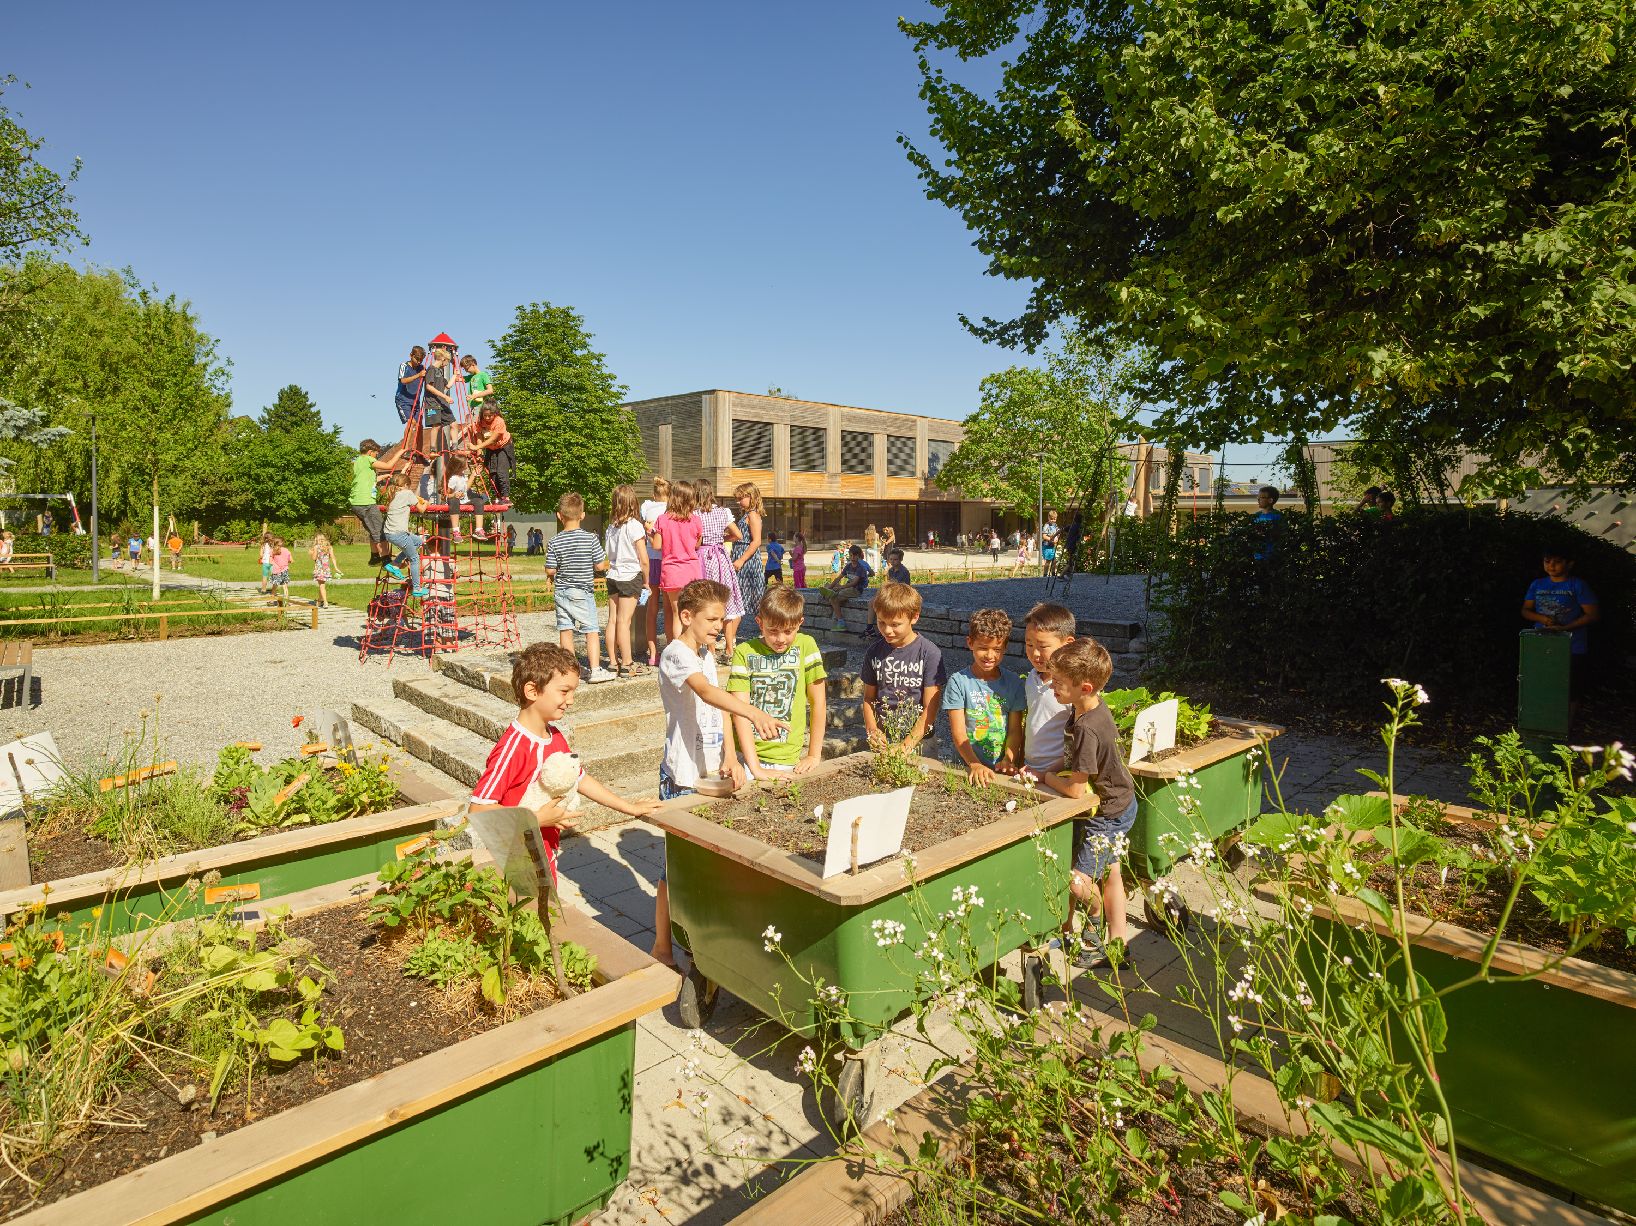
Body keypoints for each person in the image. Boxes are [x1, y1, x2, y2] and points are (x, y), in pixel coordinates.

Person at [653, 579, 787, 966]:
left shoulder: (705, 653)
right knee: (674, 869)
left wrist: (731, 754)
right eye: (712, 619)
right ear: (685, 616)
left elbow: (720, 709)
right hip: (682, 777)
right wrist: (757, 713)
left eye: (722, 618)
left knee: (710, 865)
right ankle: (662, 946)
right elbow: (707, 694)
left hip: (713, 772)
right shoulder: (678, 654)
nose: (719, 625)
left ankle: (706, 940)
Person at [470, 643, 660, 883]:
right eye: (564, 691)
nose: (570, 700)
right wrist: (537, 819)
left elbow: (579, 778)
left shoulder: (555, 735)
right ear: (532, 690)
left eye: (573, 692)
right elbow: (479, 809)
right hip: (517, 865)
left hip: (545, 857)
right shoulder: (514, 748)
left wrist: (629, 807)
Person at [1036, 638, 1137, 969]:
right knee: (1109, 871)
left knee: (1079, 882)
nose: (1053, 688)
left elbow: (1077, 793)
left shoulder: (1086, 729)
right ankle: (1116, 944)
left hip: (1107, 814)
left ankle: (1093, 927)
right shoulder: (1090, 708)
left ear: (1086, 686)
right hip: (1120, 803)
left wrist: (1046, 777)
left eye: (1060, 684)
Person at [727, 585, 827, 781]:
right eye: (772, 631)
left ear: (800, 623)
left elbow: (819, 703)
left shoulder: (807, 646)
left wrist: (814, 754)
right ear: (759, 622)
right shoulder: (745, 652)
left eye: (788, 631)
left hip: (787, 758)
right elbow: (739, 710)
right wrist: (754, 766)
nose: (780, 639)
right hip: (746, 758)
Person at [943, 608, 1027, 784]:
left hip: (1001, 771)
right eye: (983, 648)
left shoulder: (1014, 683)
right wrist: (974, 764)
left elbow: (1014, 730)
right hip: (965, 767)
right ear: (970, 643)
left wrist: (1009, 759)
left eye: (997, 649)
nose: (990, 655)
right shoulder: (958, 682)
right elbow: (958, 733)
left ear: (1005, 647)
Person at [860, 581, 946, 750]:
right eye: (881, 622)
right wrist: (872, 730)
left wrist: (907, 745)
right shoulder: (874, 652)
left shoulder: (930, 653)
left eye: (895, 624)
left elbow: (931, 706)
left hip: (921, 742)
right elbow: (869, 698)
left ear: (914, 617)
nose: (887, 630)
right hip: (883, 739)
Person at [546, 492, 614, 683]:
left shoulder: (554, 541)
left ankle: (570, 670)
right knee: (591, 630)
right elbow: (600, 566)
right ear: (582, 515)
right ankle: (595, 669)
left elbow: (550, 569)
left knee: (566, 629)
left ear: (559, 515)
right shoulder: (590, 539)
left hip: (561, 591)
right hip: (582, 592)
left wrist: (550, 573)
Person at [1523, 547, 1600, 703]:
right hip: (1540, 642)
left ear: (1569, 564)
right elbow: (1525, 610)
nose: (1551, 565)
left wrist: (1565, 628)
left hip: (1572, 645)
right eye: (1547, 561)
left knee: (1570, 689)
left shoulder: (1577, 585)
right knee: (1542, 684)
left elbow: (1592, 615)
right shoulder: (1537, 584)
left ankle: (1566, 725)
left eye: (1557, 562)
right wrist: (1542, 619)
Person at [1021, 603, 1076, 778]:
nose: (1035, 653)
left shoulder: (1075, 687)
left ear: (1067, 644)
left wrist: (1046, 772)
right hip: (1030, 768)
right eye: (1029, 645)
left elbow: (1079, 742)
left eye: (1043, 647)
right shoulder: (1032, 678)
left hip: (1060, 773)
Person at [651, 479, 704, 657]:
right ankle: (693, 650)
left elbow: (657, 546)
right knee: (692, 613)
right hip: (692, 570)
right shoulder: (695, 520)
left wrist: (651, 533)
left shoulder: (662, 520)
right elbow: (697, 544)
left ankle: (677, 653)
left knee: (676, 614)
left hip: (672, 571)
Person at [604, 483, 650, 677]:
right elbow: (644, 559)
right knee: (625, 621)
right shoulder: (635, 525)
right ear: (633, 502)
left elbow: (609, 553)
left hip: (613, 575)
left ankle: (613, 662)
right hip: (630, 575)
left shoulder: (611, 527)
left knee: (612, 620)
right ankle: (628, 663)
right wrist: (646, 582)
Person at [695, 479, 746, 658]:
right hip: (721, 558)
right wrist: (721, 538)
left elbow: (698, 541)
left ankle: (709, 649)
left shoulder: (695, 515)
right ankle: (729, 649)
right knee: (726, 601)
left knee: (707, 600)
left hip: (703, 557)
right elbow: (738, 535)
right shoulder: (723, 512)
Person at [381, 469, 431, 598]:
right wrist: (426, 502)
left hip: (389, 533)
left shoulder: (392, 494)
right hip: (399, 534)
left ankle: (395, 564)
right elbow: (421, 510)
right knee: (414, 559)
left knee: (418, 541)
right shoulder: (408, 493)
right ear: (406, 485)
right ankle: (417, 588)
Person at [349, 439, 397, 565]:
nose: (377, 457)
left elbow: (369, 481)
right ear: (370, 452)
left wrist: (383, 477)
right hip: (366, 502)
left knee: (372, 529)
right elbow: (389, 466)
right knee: (380, 530)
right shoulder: (368, 459)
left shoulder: (358, 462)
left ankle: (374, 557)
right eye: (376, 454)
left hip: (356, 502)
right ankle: (386, 559)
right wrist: (400, 452)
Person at [640, 477, 672, 665]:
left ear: (654, 495)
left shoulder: (648, 508)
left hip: (651, 560)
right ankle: (670, 647)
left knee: (651, 609)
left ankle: (652, 653)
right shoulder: (671, 511)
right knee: (668, 609)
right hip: (667, 560)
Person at [729, 482, 767, 631]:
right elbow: (739, 537)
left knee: (752, 599)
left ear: (750, 496)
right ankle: (730, 638)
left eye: (740, 498)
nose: (738, 502)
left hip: (748, 561)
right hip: (742, 556)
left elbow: (756, 541)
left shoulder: (753, 515)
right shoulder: (746, 514)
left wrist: (741, 559)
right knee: (738, 599)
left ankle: (765, 632)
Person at [420, 345, 455, 493]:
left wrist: (455, 376)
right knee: (436, 426)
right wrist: (445, 396)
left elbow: (446, 385)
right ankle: (433, 449)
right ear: (442, 358)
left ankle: (454, 446)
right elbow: (429, 387)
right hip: (433, 403)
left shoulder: (440, 371)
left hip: (442, 403)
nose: (447, 363)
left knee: (454, 424)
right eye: (447, 361)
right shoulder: (431, 370)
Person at [469, 404, 515, 508]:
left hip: (503, 446)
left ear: (495, 414)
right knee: (492, 473)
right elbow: (479, 435)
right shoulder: (480, 421)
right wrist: (479, 451)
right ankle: (497, 497)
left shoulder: (499, 421)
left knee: (501, 471)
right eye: (485, 415)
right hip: (491, 448)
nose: (487, 418)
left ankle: (506, 497)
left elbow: (493, 439)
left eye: (490, 415)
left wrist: (477, 447)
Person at [444, 455, 486, 542]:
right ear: (460, 466)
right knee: (454, 500)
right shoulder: (453, 479)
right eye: (466, 462)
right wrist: (454, 495)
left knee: (479, 501)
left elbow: (466, 488)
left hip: (464, 501)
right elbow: (447, 494)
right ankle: (456, 531)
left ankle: (478, 530)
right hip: (454, 502)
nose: (468, 463)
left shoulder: (463, 476)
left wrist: (474, 474)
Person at [825, 544, 873, 618]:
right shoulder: (848, 566)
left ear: (859, 556)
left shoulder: (861, 568)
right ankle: (830, 591)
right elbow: (838, 578)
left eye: (855, 556)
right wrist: (830, 587)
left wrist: (841, 587)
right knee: (827, 585)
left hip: (856, 590)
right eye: (851, 555)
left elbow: (854, 583)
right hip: (848, 587)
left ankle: (840, 621)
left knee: (834, 599)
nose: (852, 558)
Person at [394, 345, 427, 424]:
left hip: (415, 401)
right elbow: (403, 381)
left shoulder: (422, 368)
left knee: (419, 425)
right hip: (403, 400)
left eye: (421, 360)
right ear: (411, 355)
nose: (418, 362)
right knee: (411, 423)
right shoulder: (404, 366)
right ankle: (407, 437)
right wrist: (418, 375)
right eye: (417, 359)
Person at [1252, 486, 1284, 561]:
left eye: (1262, 497)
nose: (1258, 499)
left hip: (1273, 555)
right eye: (1258, 497)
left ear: (1270, 500)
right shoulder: (1256, 516)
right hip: (1258, 556)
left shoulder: (1278, 516)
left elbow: (1283, 534)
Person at [310, 531, 341, 608]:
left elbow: (314, 558)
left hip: (319, 569)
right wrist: (336, 568)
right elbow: (333, 558)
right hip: (326, 569)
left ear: (317, 539)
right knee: (322, 585)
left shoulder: (316, 547)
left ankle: (325, 602)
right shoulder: (329, 547)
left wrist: (312, 552)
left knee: (322, 585)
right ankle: (319, 601)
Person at [268, 536, 293, 601]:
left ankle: (271, 600)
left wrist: (276, 564)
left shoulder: (272, 550)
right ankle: (287, 601)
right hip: (285, 570)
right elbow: (291, 560)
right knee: (285, 586)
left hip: (276, 571)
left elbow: (270, 561)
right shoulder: (286, 550)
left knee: (275, 586)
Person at [1041, 510, 1061, 577]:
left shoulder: (1055, 525)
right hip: (1047, 545)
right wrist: (1051, 540)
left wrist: (1057, 537)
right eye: (1051, 519)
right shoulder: (1046, 525)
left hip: (1052, 546)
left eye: (1054, 519)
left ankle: (1053, 573)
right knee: (1048, 561)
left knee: (1054, 560)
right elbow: (1044, 536)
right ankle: (1045, 574)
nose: (1053, 520)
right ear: (1048, 518)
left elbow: (1058, 533)